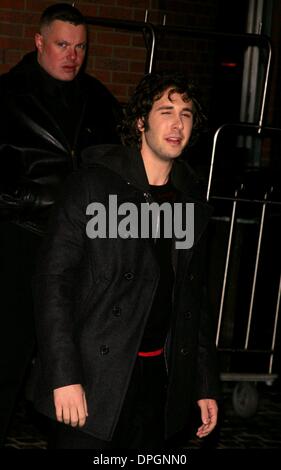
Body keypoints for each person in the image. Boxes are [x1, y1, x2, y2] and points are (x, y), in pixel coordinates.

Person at [32, 71, 220, 449]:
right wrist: (63, 376)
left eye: (186, 114)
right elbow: (54, 283)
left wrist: (202, 384)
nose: (177, 123)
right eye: (166, 110)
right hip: (94, 375)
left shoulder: (190, 201)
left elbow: (192, 303)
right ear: (140, 122)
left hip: (159, 380)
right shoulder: (93, 185)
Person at [0, 3, 121, 447]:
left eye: (81, 47)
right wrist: (36, 201)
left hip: (82, 249)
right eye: (62, 44)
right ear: (38, 42)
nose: (73, 55)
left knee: (76, 358)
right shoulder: (7, 95)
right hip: (22, 240)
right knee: (9, 354)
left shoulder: (98, 99)